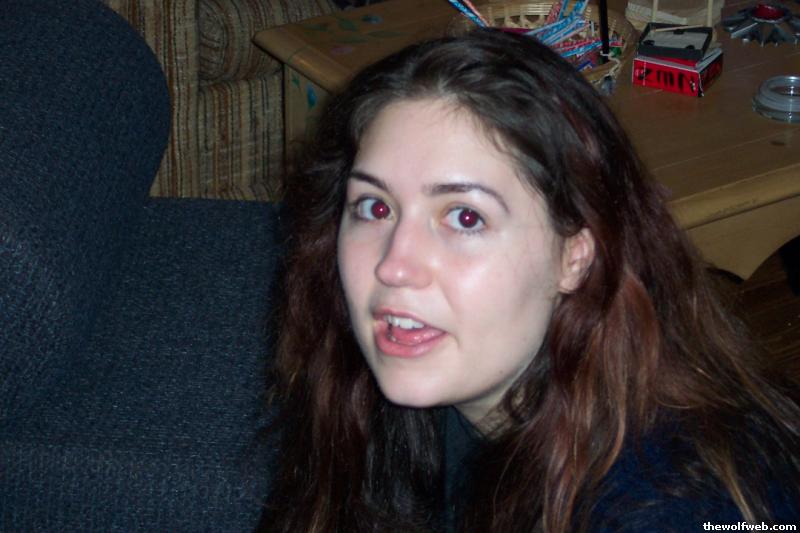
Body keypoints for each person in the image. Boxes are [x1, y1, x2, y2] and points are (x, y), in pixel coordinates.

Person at [258, 29, 800, 532]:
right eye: (375, 207)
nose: (393, 266)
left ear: (575, 257)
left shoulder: (679, 506)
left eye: (465, 217)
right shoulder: (376, 388)